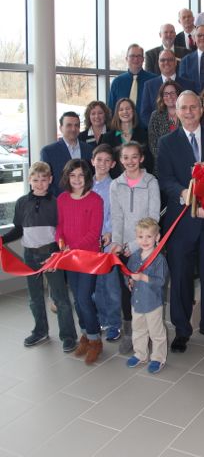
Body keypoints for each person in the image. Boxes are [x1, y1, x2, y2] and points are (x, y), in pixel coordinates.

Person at [157, 91, 204, 353]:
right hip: (181, 222)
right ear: (176, 110)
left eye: (193, 107)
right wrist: (183, 193)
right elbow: (164, 179)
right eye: (183, 108)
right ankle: (182, 329)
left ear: (202, 109)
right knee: (181, 277)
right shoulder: (167, 142)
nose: (189, 112)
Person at [1, 161, 77, 352]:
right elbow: (18, 230)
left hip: (51, 254)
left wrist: (58, 253)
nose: (40, 183)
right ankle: (40, 330)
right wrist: (2, 239)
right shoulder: (21, 202)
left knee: (60, 297)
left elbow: (63, 231)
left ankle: (68, 336)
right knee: (34, 297)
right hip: (30, 256)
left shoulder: (57, 202)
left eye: (44, 180)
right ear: (29, 180)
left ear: (50, 180)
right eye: (36, 180)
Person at [110, 141, 161, 354]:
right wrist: (118, 243)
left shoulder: (151, 182)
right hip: (124, 248)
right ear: (120, 160)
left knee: (145, 290)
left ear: (141, 158)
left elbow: (153, 217)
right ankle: (131, 332)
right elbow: (117, 217)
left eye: (134, 157)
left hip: (146, 246)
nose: (130, 161)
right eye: (125, 157)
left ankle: (149, 332)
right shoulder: (116, 185)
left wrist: (134, 244)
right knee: (126, 291)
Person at [56, 159, 104, 364]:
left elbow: (94, 233)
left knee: (84, 299)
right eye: (72, 175)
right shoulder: (62, 199)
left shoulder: (95, 200)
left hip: (87, 258)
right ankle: (84, 335)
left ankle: (95, 341)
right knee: (77, 299)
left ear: (87, 178)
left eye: (80, 175)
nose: (76, 179)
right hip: (69, 258)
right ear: (67, 177)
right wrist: (60, 240)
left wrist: (73, 247)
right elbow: (59, 226)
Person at [126, 218, 168, 374]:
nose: (144, 241)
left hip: (152, 303)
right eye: (141, 237)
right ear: (136, 238)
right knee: (138, 329)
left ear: (157, 238)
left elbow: (161, 281)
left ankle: (158, 358)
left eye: (149, 236)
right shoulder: (135, 256)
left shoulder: (159, 259)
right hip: (136, 302)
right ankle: (140, 354)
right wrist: (129, 281)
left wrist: (144, 277)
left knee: (156, 332)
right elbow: (129, 274)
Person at [91, 144, 122, 342]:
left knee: (110, 285)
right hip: (89, 244)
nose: (102, 164)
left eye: (106, 161)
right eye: (98, 160)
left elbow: (116, 214)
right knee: (95, 286)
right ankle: (101, 319)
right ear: (92, 161)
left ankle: (114, 323)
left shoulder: (115, 186)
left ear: (112, 164)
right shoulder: (86, 185)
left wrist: (110, 232)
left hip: (107, 242)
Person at [41, 111, 93, 196]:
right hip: (59, 203)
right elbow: (45, 180)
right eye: (69, 125)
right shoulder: (48, 152)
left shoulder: (89, 150)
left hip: (85, 201)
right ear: (61, 128)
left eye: (76, 125)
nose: (73, 129)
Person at [140, 49, 196, 128]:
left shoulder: (189, 85)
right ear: (158, 63)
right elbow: (144, 113)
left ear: (176, 62)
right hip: (158, 134)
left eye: (170, 60)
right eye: (162, 60)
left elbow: (194, 110)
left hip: (184, 133)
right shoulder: (149, 85)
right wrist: (158, 128)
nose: (166, 62)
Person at [102, 97, 153, 177]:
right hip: (116, 181)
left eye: (128, 108)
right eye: (121, 109)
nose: (125, 112)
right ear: (117, 113)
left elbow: (149, 161)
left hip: (140, 181)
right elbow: (105, 161)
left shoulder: (144, 135)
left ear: (133, 111)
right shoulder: (107, 138)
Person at [108, 44, 155, 115]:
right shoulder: (117, 82)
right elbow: (111, 109)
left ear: (143, 59)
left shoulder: (153, 81)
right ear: (126, 59)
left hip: (147, 126)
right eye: (132, 56)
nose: (136, 59)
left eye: (139, 56)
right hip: (121, 125)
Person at [148, 80, 182, 173]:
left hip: (183, 165)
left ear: (179, 95)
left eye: (172, 93)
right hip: (162, 166)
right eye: (165, 94)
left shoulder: (185, 115)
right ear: (162, 97)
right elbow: (153, 144)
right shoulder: (156, 115)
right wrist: (167, 161)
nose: (169, 97)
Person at [179, 24, 204, 92]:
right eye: (199, 35)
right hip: (192, 100)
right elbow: (183, 84)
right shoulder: (185, 61)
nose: (202, 38)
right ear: (194, 38)